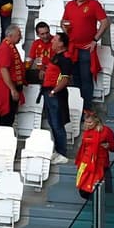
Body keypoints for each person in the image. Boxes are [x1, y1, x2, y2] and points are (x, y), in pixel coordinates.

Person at [40, 32, 75, 164]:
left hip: (55, 95)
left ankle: (62, 153)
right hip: (49, 93)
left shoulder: (65, 58)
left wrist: (54, 91)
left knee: (57, 123)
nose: (52, 41)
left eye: (55, 40)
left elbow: (65, 79)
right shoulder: (56, 57)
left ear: (61, 43)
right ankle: (58, 151)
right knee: (52, 122)